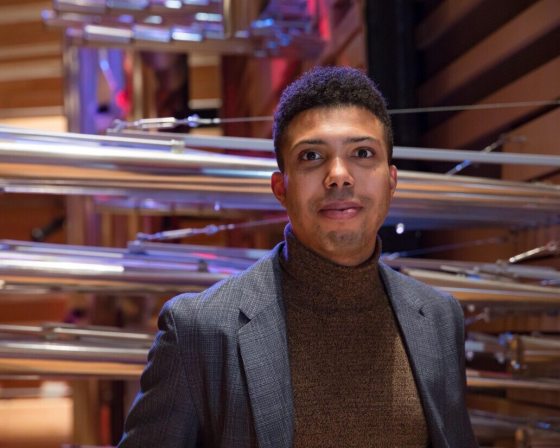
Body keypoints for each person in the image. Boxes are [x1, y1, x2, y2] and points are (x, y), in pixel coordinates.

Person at [118, 66, 477, 448]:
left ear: (391, 180)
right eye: (311, 156)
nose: (339, 176)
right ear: (281, 187)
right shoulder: (199, 331)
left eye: (362, 153)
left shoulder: (439, 318)